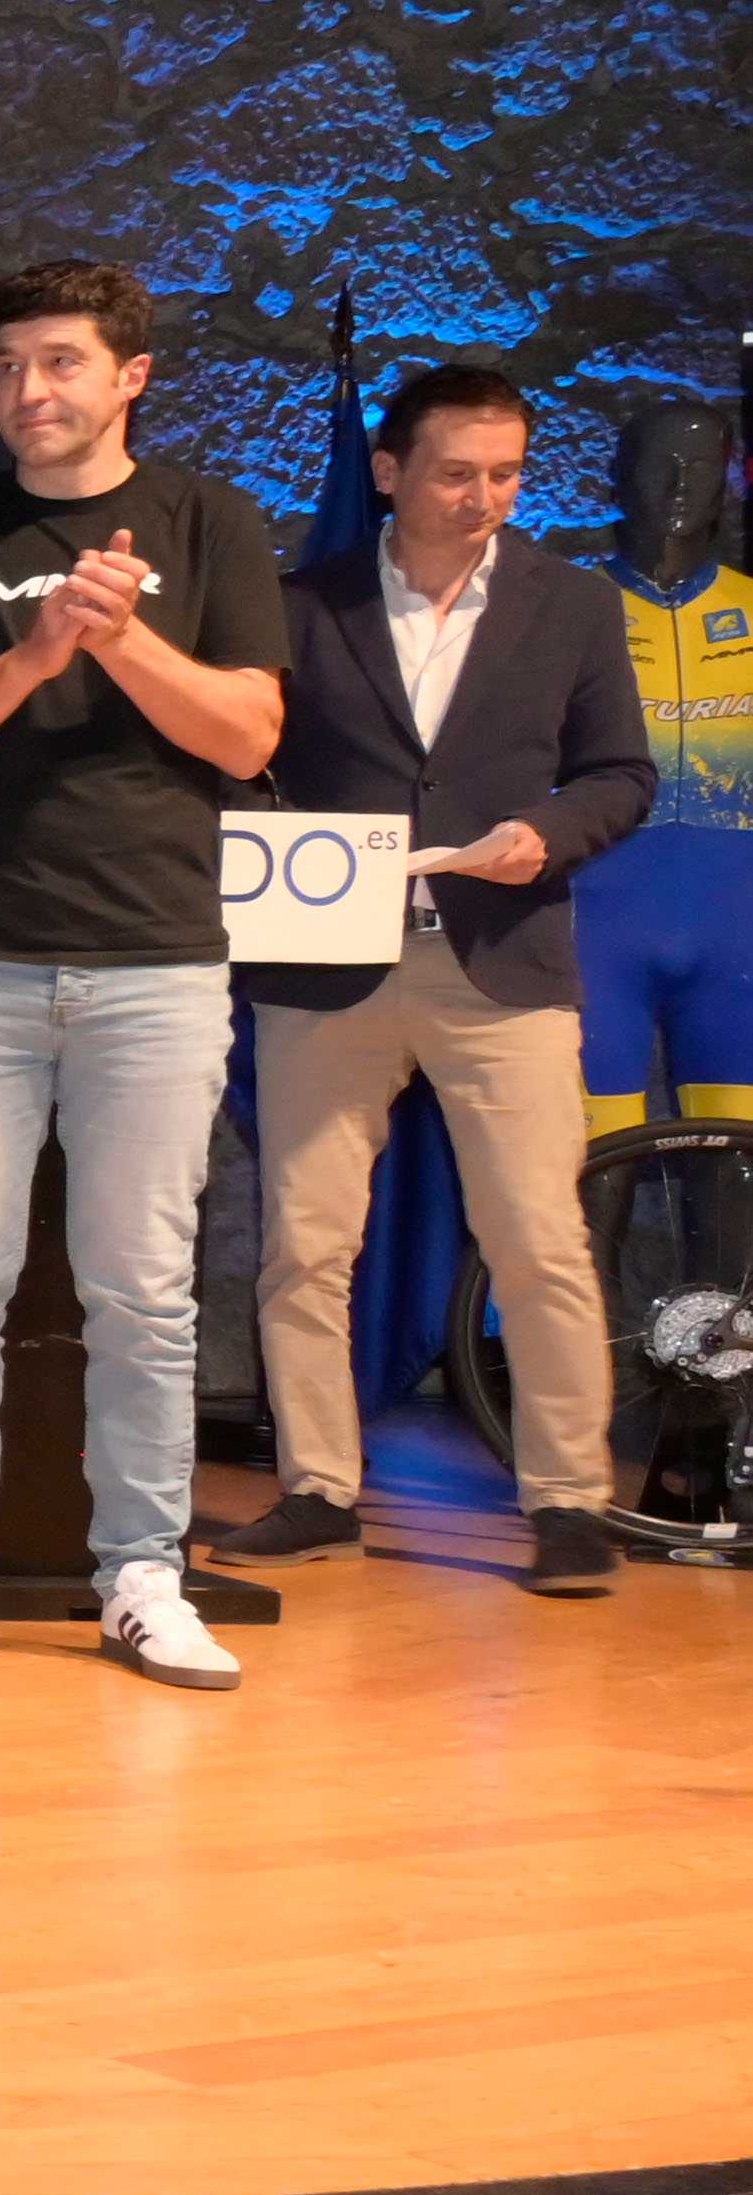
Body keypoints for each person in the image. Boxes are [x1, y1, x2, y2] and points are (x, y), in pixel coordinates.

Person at [0, 258, 289, 1687]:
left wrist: (123, 637)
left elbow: (244, 736)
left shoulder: (209, 524)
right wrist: (33, 656)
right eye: (6, 366)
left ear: (127, 376)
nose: (26, 392)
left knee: (142, 1291)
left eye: (57, 364)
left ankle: (142, 1575)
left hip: (152, 965)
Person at [214, 363, 649, 1597]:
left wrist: (545, 834)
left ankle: (566, 1500)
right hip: (326, 961)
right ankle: (315, 1487)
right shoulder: (301, 606)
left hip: (499, 957)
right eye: (456, 472)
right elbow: (245, 771)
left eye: (505, 473)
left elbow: (619, 774)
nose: (483, 497)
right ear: (392, 472)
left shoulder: (567, 605)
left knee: (537, 1239)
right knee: (303, 1241)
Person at [578, 397, 749, 1133]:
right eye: (659, 466)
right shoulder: (561, 608)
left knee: (735, 1175)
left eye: (701, 468)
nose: (680, 486)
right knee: (584, 1175)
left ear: (729, 482)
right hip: (592, 928)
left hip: (734, 935)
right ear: (615, 477)